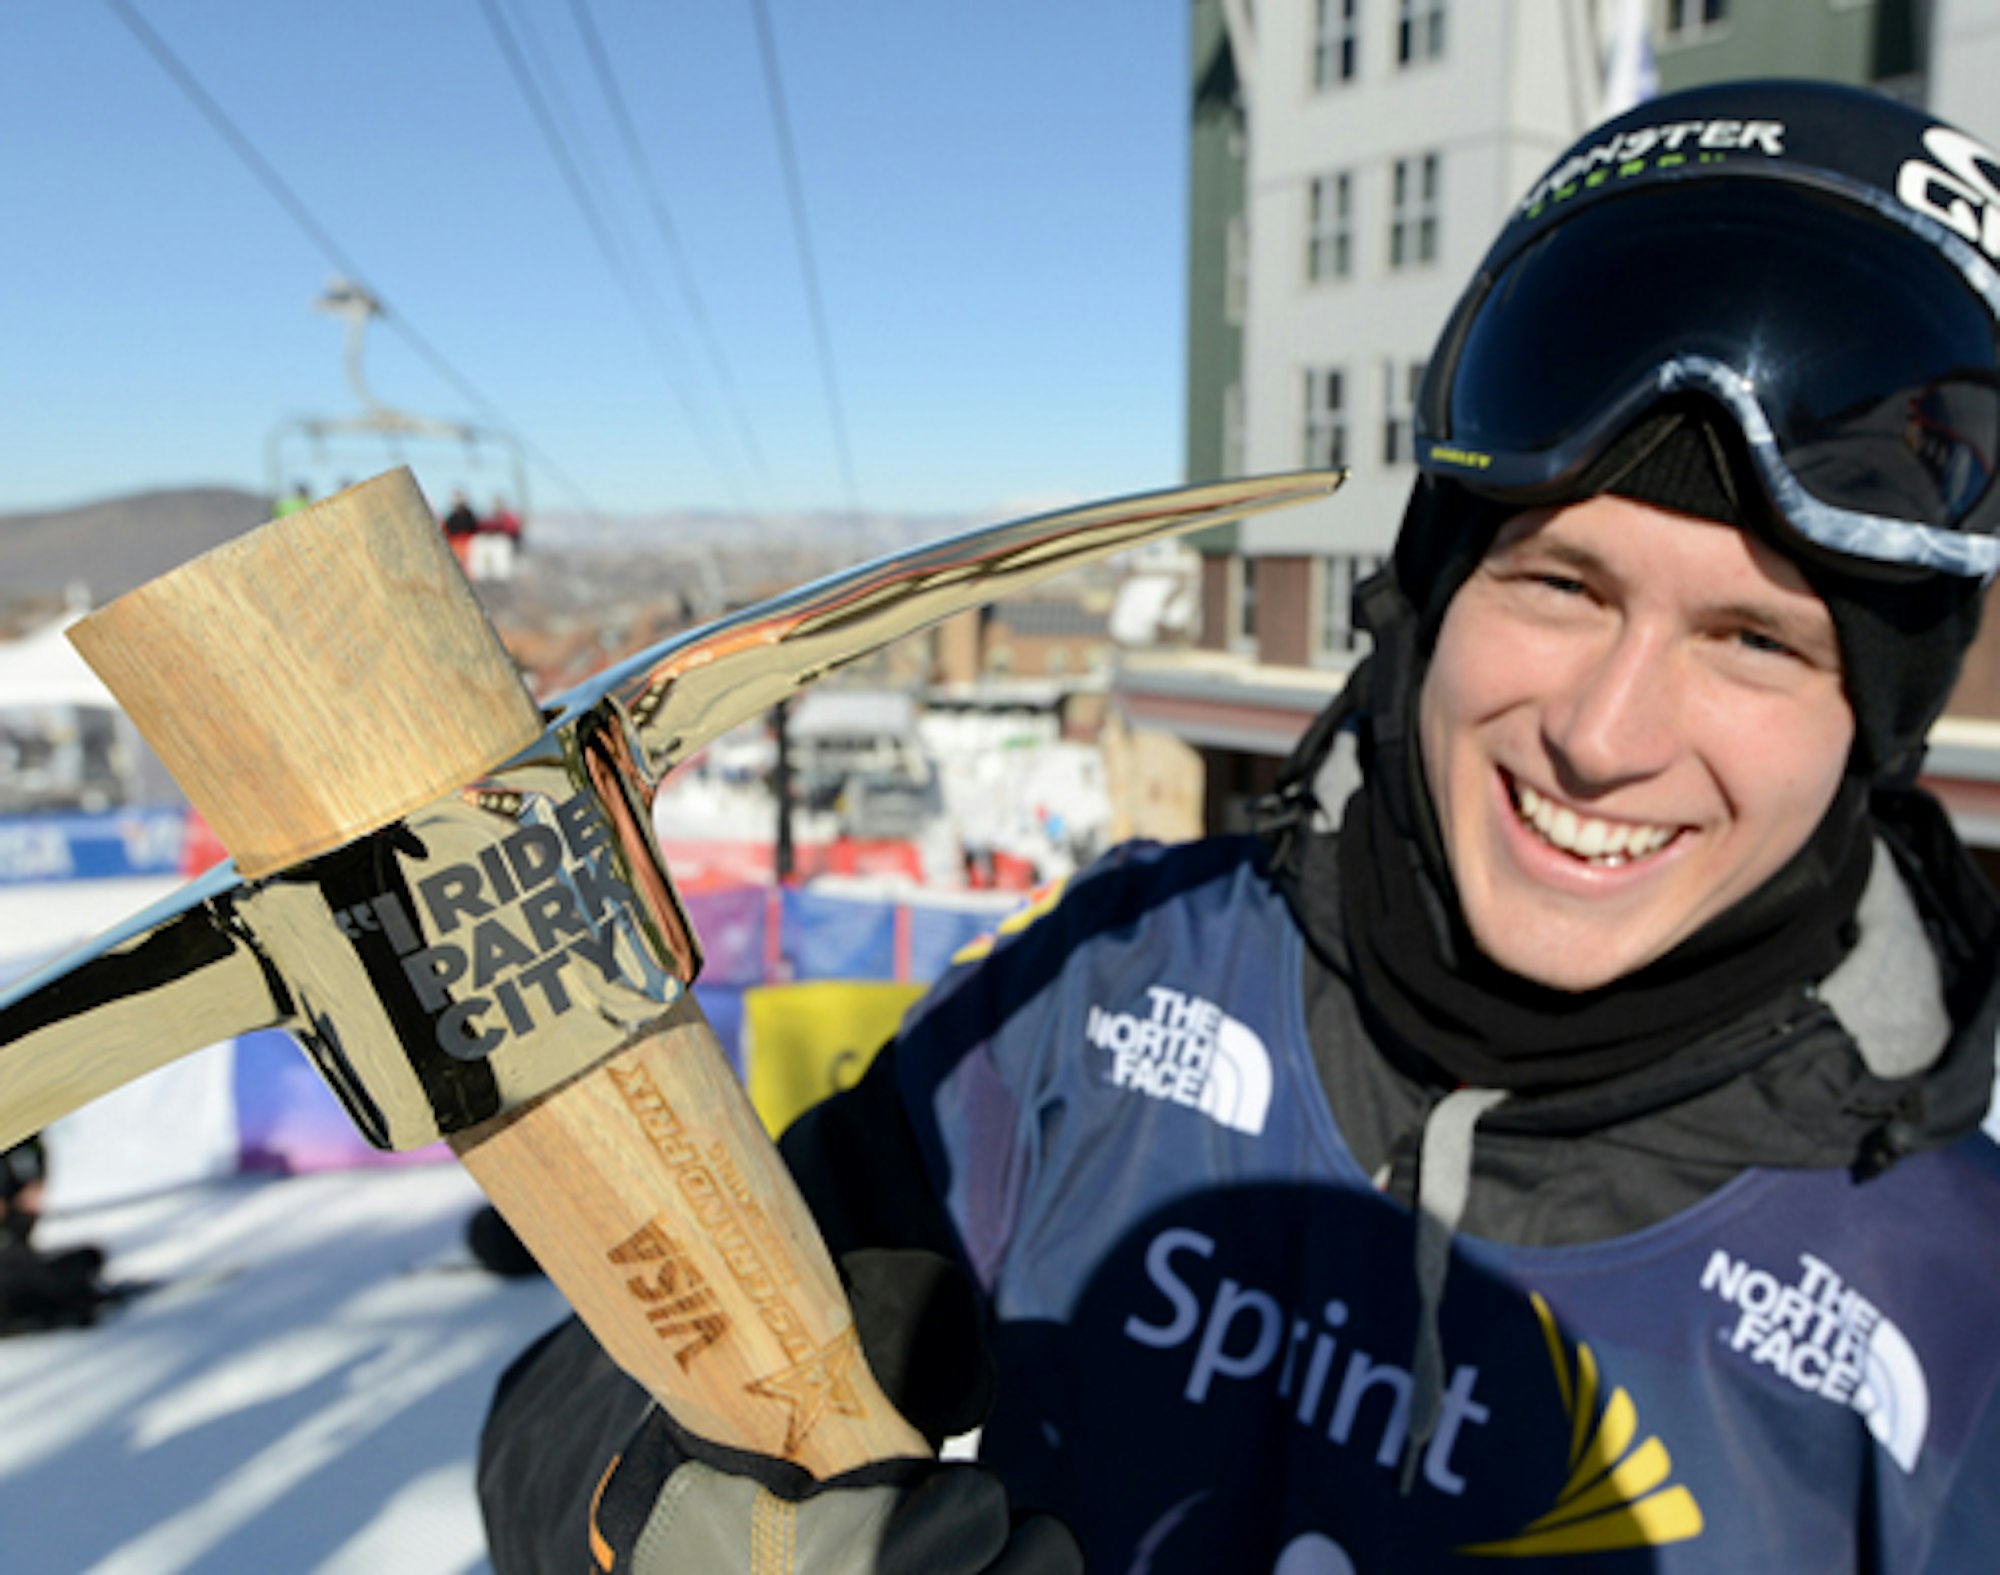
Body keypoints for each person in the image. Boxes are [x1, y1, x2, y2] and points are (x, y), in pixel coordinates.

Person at [479, 80, 2000, 1571]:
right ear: (1426, 601)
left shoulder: (1953, 1298)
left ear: (1873, 729)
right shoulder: (1110, 989)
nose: (1604, 739)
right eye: (1559, 584)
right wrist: (690, 1526)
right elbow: (599, 1383)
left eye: (1756, 643)